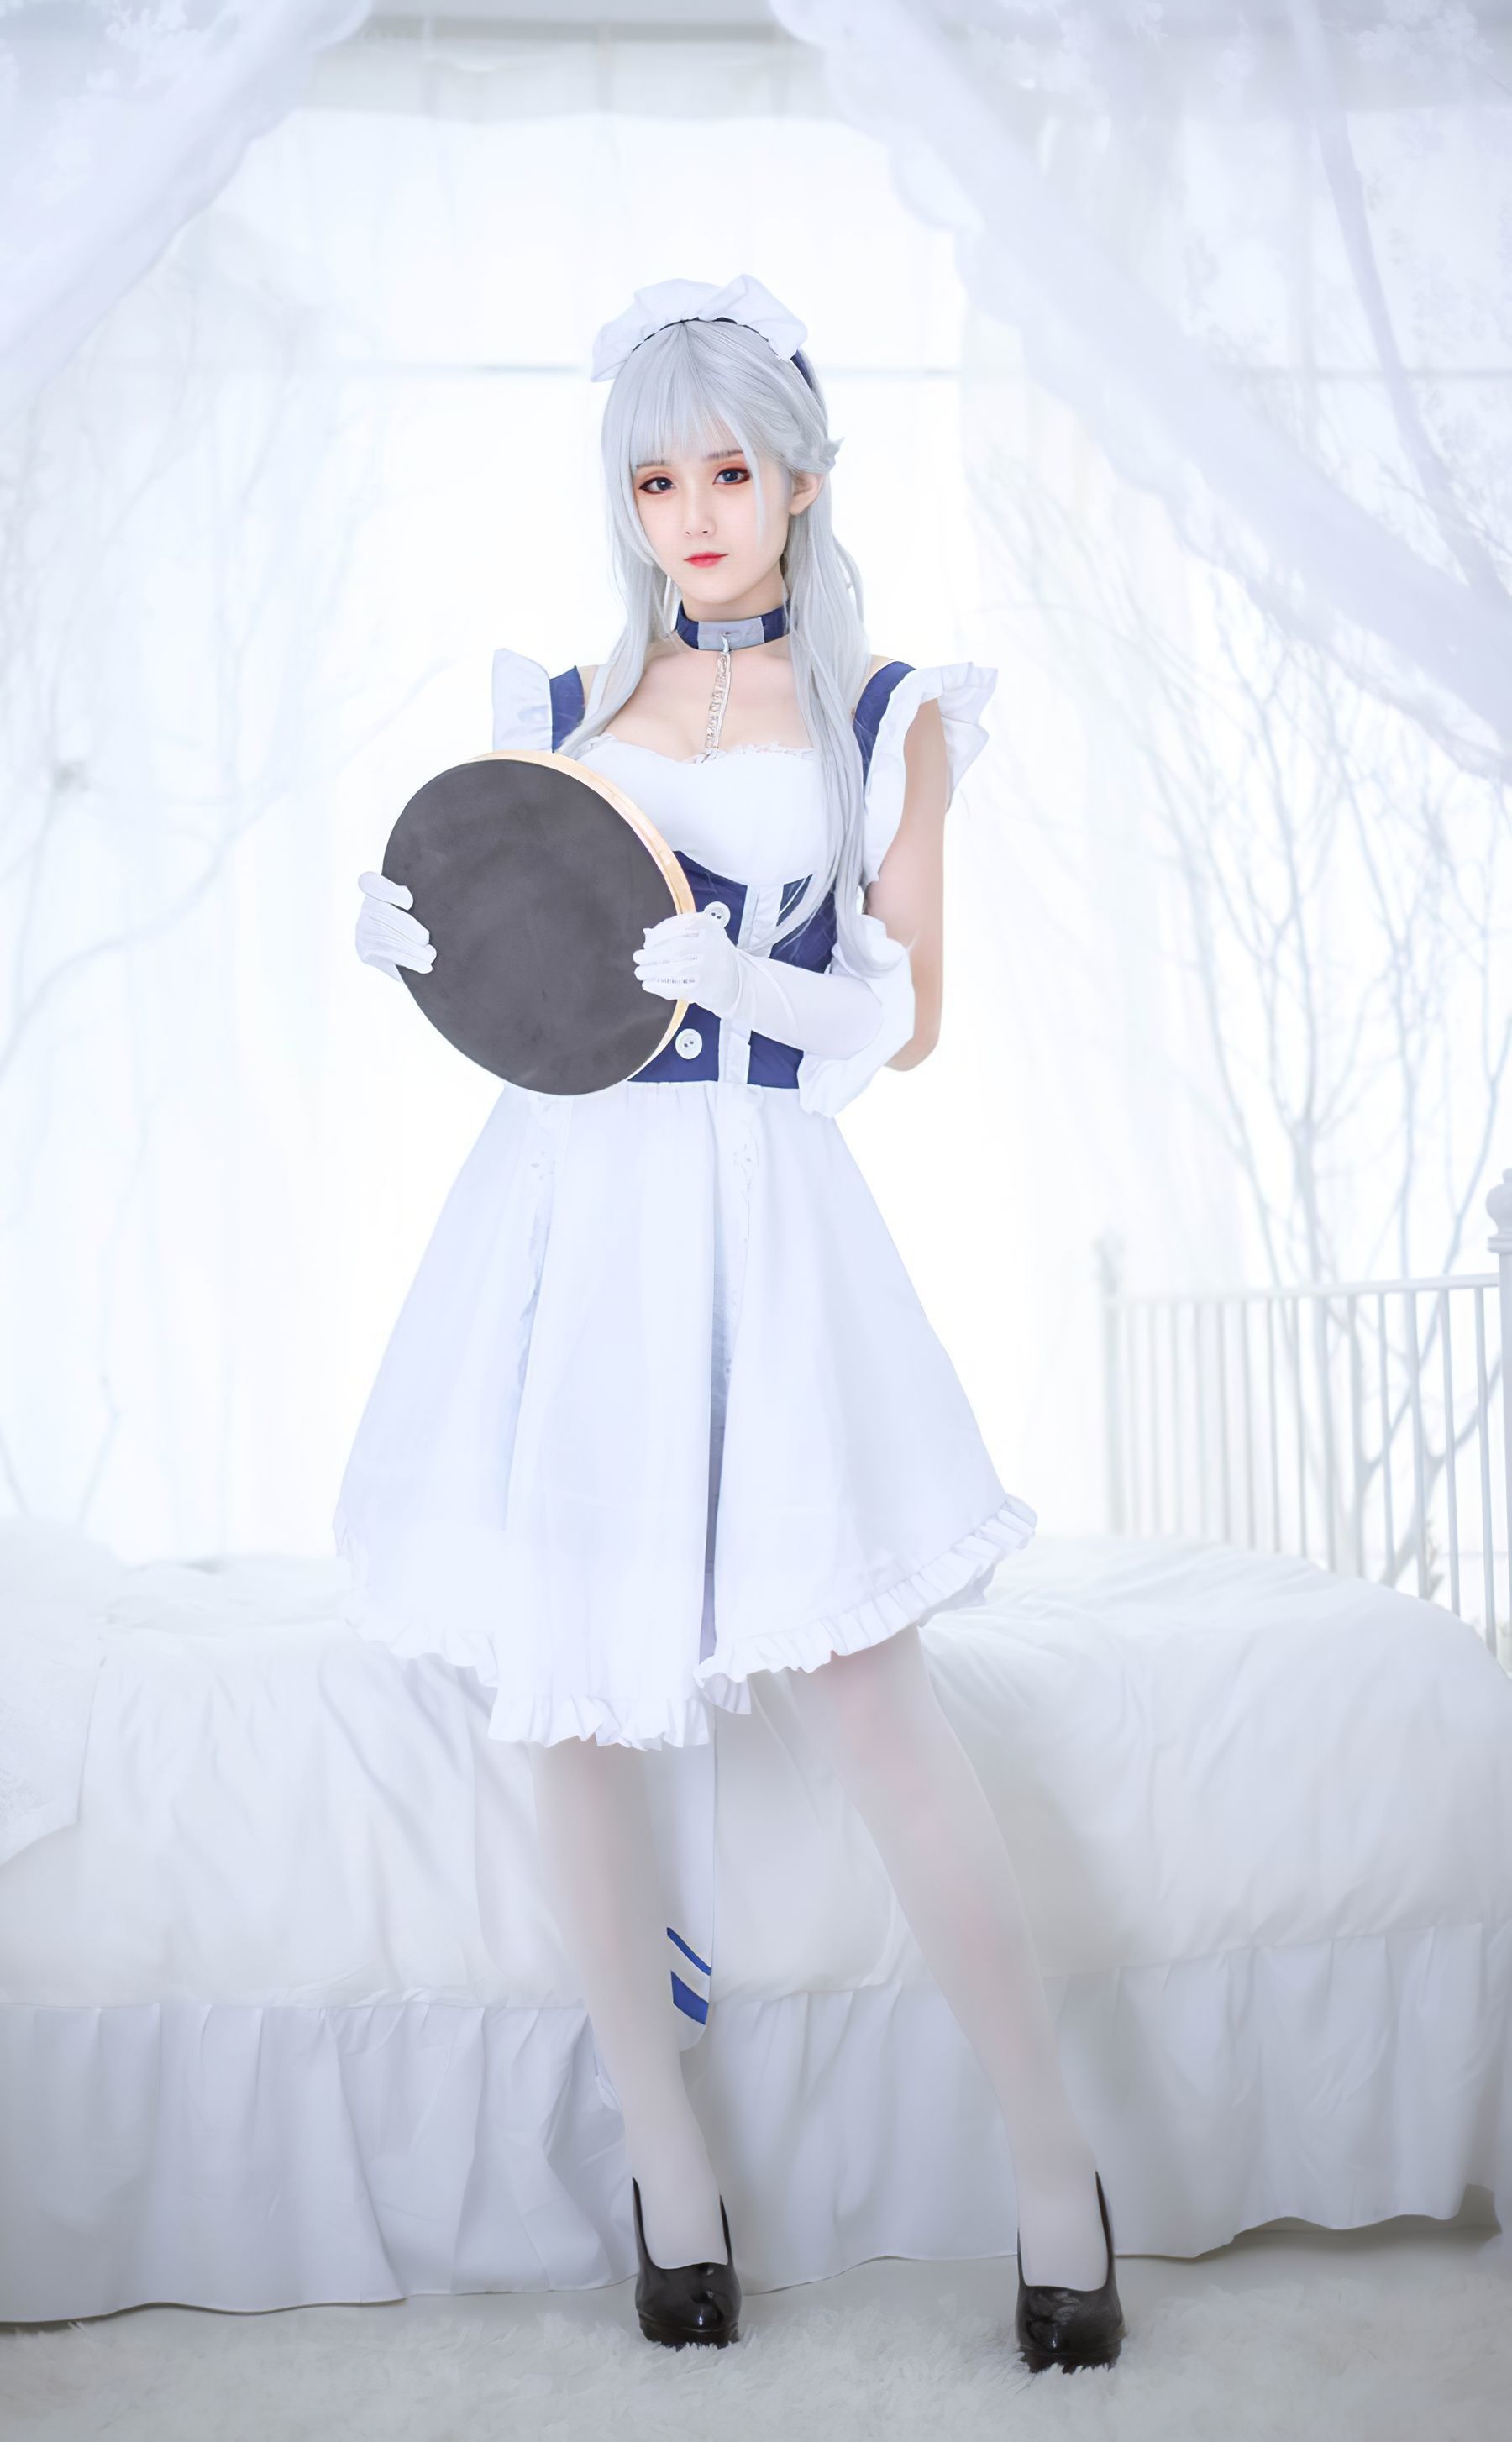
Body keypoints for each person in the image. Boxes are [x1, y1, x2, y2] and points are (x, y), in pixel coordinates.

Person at [337, 272, 1124, 2376]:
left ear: (801, 480)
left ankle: (1055, 2166)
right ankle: (664, 2166)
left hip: (763, 1214)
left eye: (727, 470)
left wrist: (744, 982)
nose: (692, 513)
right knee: (573, 1696)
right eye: (655, 478)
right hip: (568, 1209)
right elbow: (525, 968)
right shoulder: (555, 696)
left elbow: (905, 1021)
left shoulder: (887, 716)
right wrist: (409, 937)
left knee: (874, 1697)